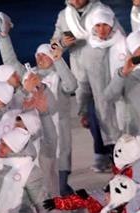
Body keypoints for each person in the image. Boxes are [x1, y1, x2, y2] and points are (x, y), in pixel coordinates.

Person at [57, 0, 123, 171]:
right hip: (80, 73)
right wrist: (62, 43)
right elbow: (53, 45)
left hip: (104, 69)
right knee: (90, 115)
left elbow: (120, 37)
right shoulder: (65, 17)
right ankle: (104, 152)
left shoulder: (101, 10)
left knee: (108, 113)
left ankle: (110, 153)